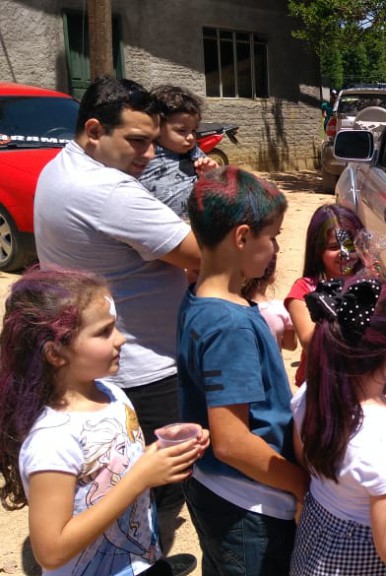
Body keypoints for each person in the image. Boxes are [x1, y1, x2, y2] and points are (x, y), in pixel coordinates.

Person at [33, 74, 202, 546]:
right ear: (93, 130)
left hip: (105, 356)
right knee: (162, 480)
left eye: (153, 141)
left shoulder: (59, 167)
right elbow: (202, 254)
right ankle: (146, 555)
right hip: (146, 365)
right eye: (137, 141)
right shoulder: (110, 191)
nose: (149, 155)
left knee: (119, 475)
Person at [0, 268, 207, 575]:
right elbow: (51, 551)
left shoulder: (112, 393)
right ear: (56, 353)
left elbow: (117, 465)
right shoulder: (51, 440)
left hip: (141, 561)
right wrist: (139, 478)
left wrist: (160, 458)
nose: (120, 339)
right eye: (104, 331)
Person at [177, 166, 308, 574]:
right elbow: (232, 442)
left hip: (213, 490)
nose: (274, 249)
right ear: (242, 237)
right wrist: (302, 486)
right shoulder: (229, 325)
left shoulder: (198, 294)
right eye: (272, 237)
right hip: (249, 504)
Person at [289, 277, 386, 575]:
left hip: (313, 540)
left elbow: (307, 458)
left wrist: (382, 408)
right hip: (360, 560)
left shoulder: (309, 394)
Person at [286, 205, 366, 386]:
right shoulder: (304, 289)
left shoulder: (366, 285)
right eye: (333, 246)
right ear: (317, 250)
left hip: (360, 383)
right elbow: (309, 343)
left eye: (350, 245)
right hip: (318, 386)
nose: (345, 253)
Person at [138, 85, 218, 219]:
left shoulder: (193, 152)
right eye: (182, 131)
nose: (191, 137)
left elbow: (215, 180)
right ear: (156, 127)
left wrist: (212, 172)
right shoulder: (144, 154)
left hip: (195, 224)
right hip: (160, 226)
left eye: (193, 130)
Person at [242, 254, 297, 355]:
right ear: (273, 276)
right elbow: (291, 345)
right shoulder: (280, 309)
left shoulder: (235, 307)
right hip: (272, 369)